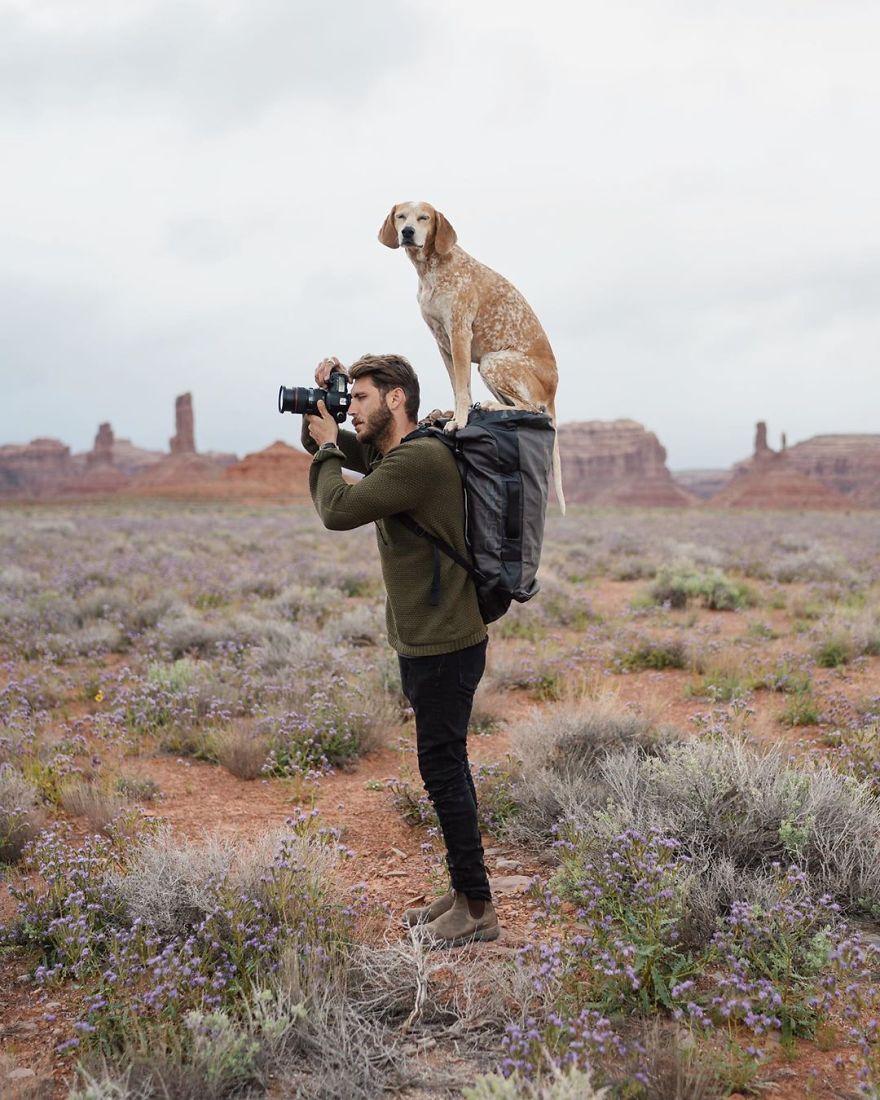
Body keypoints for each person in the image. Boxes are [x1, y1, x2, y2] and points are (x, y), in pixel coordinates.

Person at [300, 352, 499, 946]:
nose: (351, 410)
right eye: (349, 400)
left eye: (359, 399)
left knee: (443, 771)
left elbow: (338, 509)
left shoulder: (419, 460)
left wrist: (332, 445)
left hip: (443, 643)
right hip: (429, 639)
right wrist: (324, 403)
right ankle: (465, 891)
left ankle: (479, 909)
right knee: (446, 769)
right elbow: (324, 450)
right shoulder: (397, 454)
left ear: (395, 399)